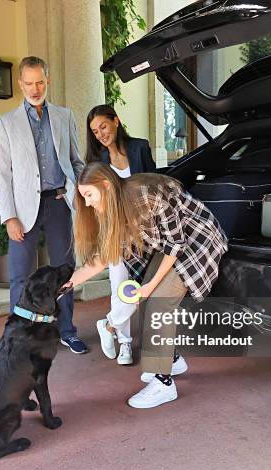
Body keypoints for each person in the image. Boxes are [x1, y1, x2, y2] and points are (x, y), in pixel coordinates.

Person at [65, 163, 228, 408]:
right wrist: (66, 284)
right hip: (170, 247)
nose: (86, 203)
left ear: (106, 186)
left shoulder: (145, 194)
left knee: (159, 301)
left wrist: (151, 285)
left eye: (89, 195)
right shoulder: (111, 210)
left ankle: (164, 384)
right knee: (145, 295)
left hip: (197, 238)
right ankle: (170, 359)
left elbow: (176, 243)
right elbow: (102, 258)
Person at [0, 56, 88, 354]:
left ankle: (66, 330)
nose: (35, 89)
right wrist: (9, 217)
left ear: (48, 81)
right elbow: (2, 173)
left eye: (40, 82)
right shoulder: (6, 123)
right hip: (23, 210)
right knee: (20, 274)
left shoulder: (64, 116)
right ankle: (20, 338)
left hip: (59, 204)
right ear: (20, 84)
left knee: (65, 272)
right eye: (29, 83)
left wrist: (79, 196)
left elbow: (76, 161)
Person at [85, 104, 156, 366]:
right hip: (114, 231)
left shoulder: (140, 148)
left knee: (139, 287)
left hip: (144, 231)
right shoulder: (97, 162)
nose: (100, 134)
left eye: (103, 126)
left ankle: (109, 324)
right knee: (119, 287)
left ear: (116, 121)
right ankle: (125, 344)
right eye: (95, 131)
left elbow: (154, 182)